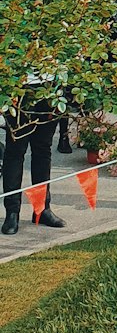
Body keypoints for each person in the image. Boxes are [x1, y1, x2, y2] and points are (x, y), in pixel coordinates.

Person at [2, 99, 66, 235]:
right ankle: (12, 212)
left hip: (49, 91)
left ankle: (42, 209)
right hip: (18, 93)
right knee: (15, 152)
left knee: (43, 150)